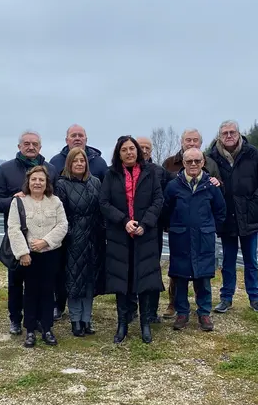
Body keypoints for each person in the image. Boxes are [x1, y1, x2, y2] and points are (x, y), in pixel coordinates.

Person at [99, 135, 164, 344]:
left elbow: (158, 200)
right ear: (119, 153)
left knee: (144, 279)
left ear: (138, 151)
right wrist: (124, 221)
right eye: (124, 149)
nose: (129, 152)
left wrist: (145, 224)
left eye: (132, 149)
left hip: (145, 235)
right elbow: (104, 203)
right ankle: (122, 324)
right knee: (122, 281)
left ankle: (145, 324)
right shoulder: (111, 175)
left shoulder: (150, 173)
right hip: (120, 235)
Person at [0, 131, 58, 335]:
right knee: (16, 281)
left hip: (43, 241)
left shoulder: (51, 169)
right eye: (27, 144)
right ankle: (15, 318)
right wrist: (14, 200)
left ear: (40, 147)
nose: (31, 147)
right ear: (19, 146)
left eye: (35, 144)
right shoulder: (6, 169)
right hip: (18, 239)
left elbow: (55, 198)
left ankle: (38, 318)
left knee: (41, 283)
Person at [207, 120, 258, 313]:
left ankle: (255, 298)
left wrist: (257, 199)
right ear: (219, 136)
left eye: (232, 132)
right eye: (225, 133)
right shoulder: (212, 157)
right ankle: (226, 298)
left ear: (239, 134)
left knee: (251, 260)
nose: (229, 136)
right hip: (226, 216)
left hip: (249, 215)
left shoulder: (252, 153)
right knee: (227, 261)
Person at [161, 148, 226, 332]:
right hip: (180, 238)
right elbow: (166, 210)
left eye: (197, 161)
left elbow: (220, 210)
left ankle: (204, 313)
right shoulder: (174, 186)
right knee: (180, 277)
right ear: (183, 163)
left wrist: (212, 229)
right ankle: (182, 313)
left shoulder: (211, 186)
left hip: (203, 238)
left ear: (203, 163)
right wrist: (172, 228)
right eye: (189, 161)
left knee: (203, 277)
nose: (193, 165)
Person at [6, 165, 68, 348]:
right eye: (34, 179)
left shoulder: (55, 201)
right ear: (28, 182)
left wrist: (46, 241)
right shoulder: (18, 202)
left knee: (48, 291)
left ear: (46, 182)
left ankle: (47, 328)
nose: (38, 183)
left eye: (41, 179)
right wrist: (23, 252)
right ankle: (30, 329)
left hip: (50, 253)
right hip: (28, 256)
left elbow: (63, 225)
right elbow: (13, 228)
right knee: (30, 292)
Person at [54, 147, 104, 337]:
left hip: (94, 239)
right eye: (75, 161)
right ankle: (75, 320)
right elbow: (61, 215)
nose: (79, 164)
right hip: (73, 240)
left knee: (90, 281)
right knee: (74, 281)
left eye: (82, 161)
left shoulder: (95, 182)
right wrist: (71, 234)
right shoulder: (62, 184)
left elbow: (101, 210)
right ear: (69, 163)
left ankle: (86, 319)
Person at [136, 136, 171, 322]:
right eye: (140, 147)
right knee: (131, 269)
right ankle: (132, 309)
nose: (144, 150)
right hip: (130, 227)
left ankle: (151, 311)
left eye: (147, 147)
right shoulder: (124, 170)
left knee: (152, 270)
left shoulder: (160, 171)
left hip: (152, 229)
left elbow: (164, 199)